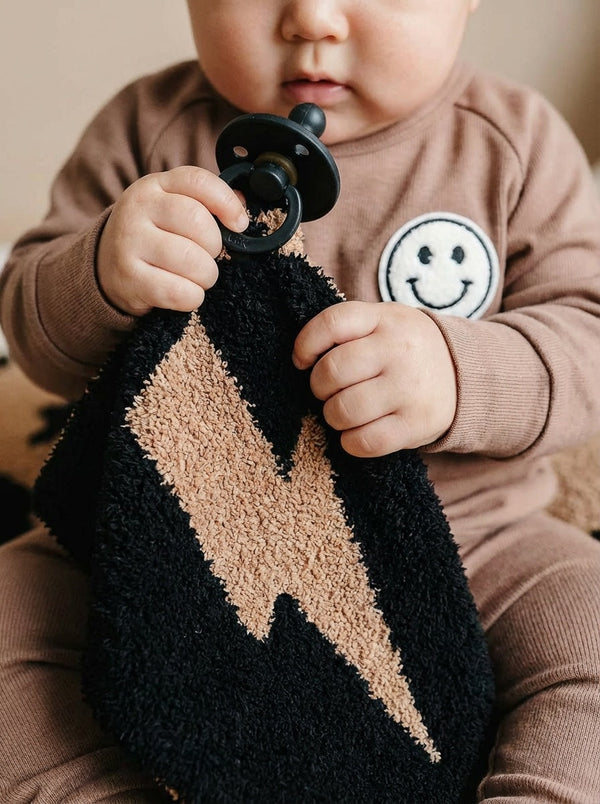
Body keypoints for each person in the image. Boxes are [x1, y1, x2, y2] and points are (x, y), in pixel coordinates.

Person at [1, 0, 600, 800]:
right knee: (12, 608)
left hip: (476, 536)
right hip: (173, 534)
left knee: (587, 626)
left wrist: (460, 375)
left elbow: (587, 338)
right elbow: (35, 338)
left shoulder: (512, 143)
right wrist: (102, 270)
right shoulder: (148, 130)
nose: (312, 18)